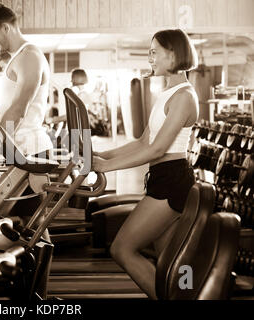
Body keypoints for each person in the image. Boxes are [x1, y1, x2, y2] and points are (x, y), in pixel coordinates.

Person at [92, 29, 199, 300]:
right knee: (170, 260)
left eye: (154, 52)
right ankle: (185, 295)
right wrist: (103, 155)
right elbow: (142, 142)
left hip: (172, 181)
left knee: (122, 249)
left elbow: (158, 149)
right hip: (163, 178)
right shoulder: (167, 92)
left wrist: (107, 168)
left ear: (173, 54)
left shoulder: (184, 96)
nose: (149, 57)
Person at [0, 2, 53, 159]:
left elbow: (19, 108)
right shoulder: (18, 58)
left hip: (31, 151)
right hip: (19, 149)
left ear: (6, 28)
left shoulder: (29, 56)